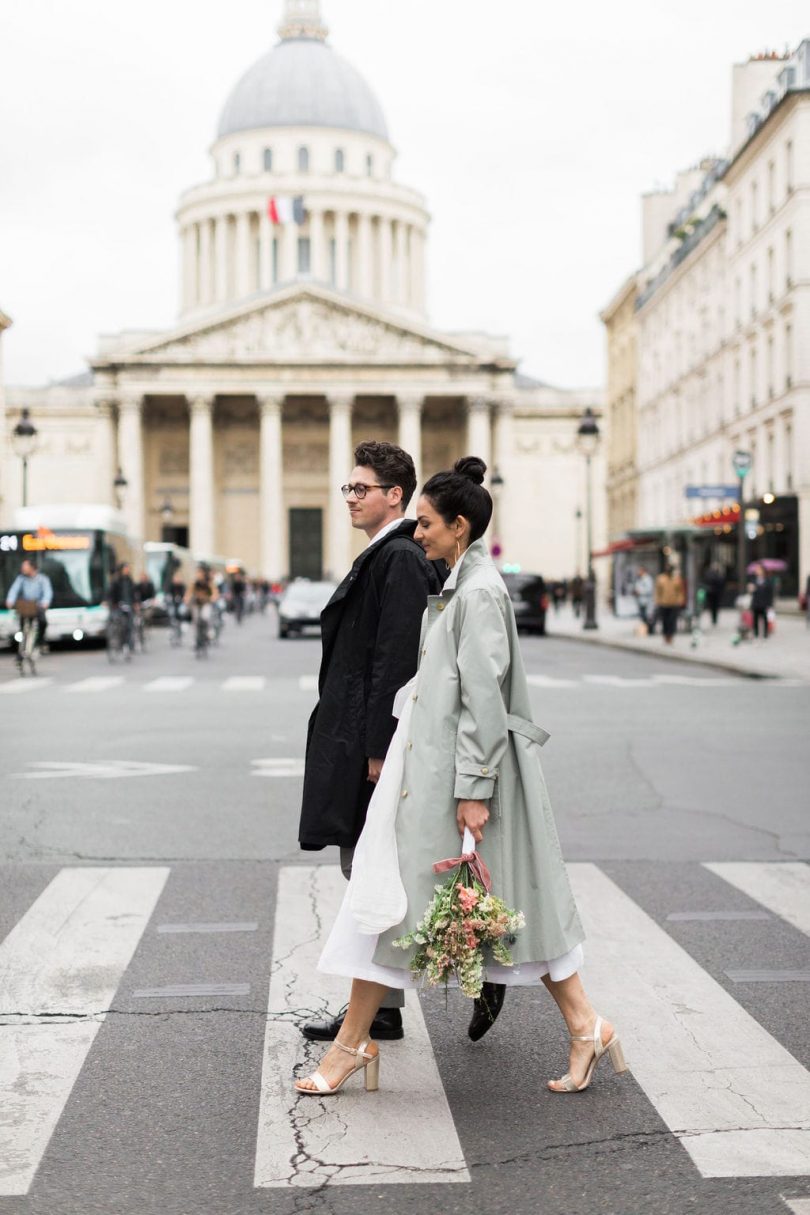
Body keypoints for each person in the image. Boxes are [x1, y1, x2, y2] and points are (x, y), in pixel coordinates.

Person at [295, 457, 628, 1099]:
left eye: (424, 523)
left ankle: (351, 1047)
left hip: (452, 779)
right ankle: (587, 1026)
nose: (416, 535)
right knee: (436, 906)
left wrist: (474, 791)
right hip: (432, 770)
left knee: (393, 903)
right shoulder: (464, 581)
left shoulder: (477, 590)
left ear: (460, 526)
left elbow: (483, 696)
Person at [298, 441, 445, 1046]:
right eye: (348, 488)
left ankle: (484, 973)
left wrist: (381, 750)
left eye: (362, 489)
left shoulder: (400, 559)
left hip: (372, 744)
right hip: (360, 736)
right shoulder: (385, 555)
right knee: (368, 871)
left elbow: (396, 660)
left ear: (395, 495)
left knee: (372, 873)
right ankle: (379, 1009)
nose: (351, 498)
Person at [5, 557, 53, 655]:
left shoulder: (42, 579)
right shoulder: (21, 579)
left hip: (38, 605)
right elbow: (14, 590)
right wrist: (10, 601)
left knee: (43, 621)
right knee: (22, 623)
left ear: (32, 568)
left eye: (25, 566)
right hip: (26, 606)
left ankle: (41, 641)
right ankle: (22, 644)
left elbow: (48, 592)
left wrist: (45, 602)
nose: (23, 568)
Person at [107, 562, 138, 654]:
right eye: (125, 569)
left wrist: (135, 603)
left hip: (129, 606)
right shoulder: (116, 581)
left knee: (129, 626)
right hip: (118, 606)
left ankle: (127, 645)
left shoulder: (130, 581)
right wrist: (112, 603)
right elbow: (110, 594)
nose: (127, 570)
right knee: (117, 622)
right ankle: (117, 641)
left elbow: (134, 594)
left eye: (128, 569)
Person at [654, 563, 685, 645]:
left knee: (672, 621)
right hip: (663, 603)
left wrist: (680, 600)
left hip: (674, 603)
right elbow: (658, 591)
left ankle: (671, 636)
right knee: (665, 621)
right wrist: (657, 601)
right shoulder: (661, 578)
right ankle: (665, 636)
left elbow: (680, 591)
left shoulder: (676, 579)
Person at [750, 564, 774, 640]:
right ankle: (756, 633)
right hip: (756, 602)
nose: (758, 571)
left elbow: (770, 593)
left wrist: (770, 604)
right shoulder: (753, 580)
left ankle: (765, 634)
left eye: (759, 570)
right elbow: (751, 592)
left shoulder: (768, 580)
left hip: (764, 603)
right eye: (757, 570)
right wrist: (751, 589)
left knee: (765, 618)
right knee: (755, 619)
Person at [633, 566, 654, 632]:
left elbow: (649, 589)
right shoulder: (639, 579)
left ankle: (649, 630)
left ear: (643, 571)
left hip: (646, 601)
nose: (638, 572)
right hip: (641, 601)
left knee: (647, 617)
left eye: (640, 571)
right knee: (643, 617)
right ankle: (645, 629)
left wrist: (640, 592)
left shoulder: (647, 579)